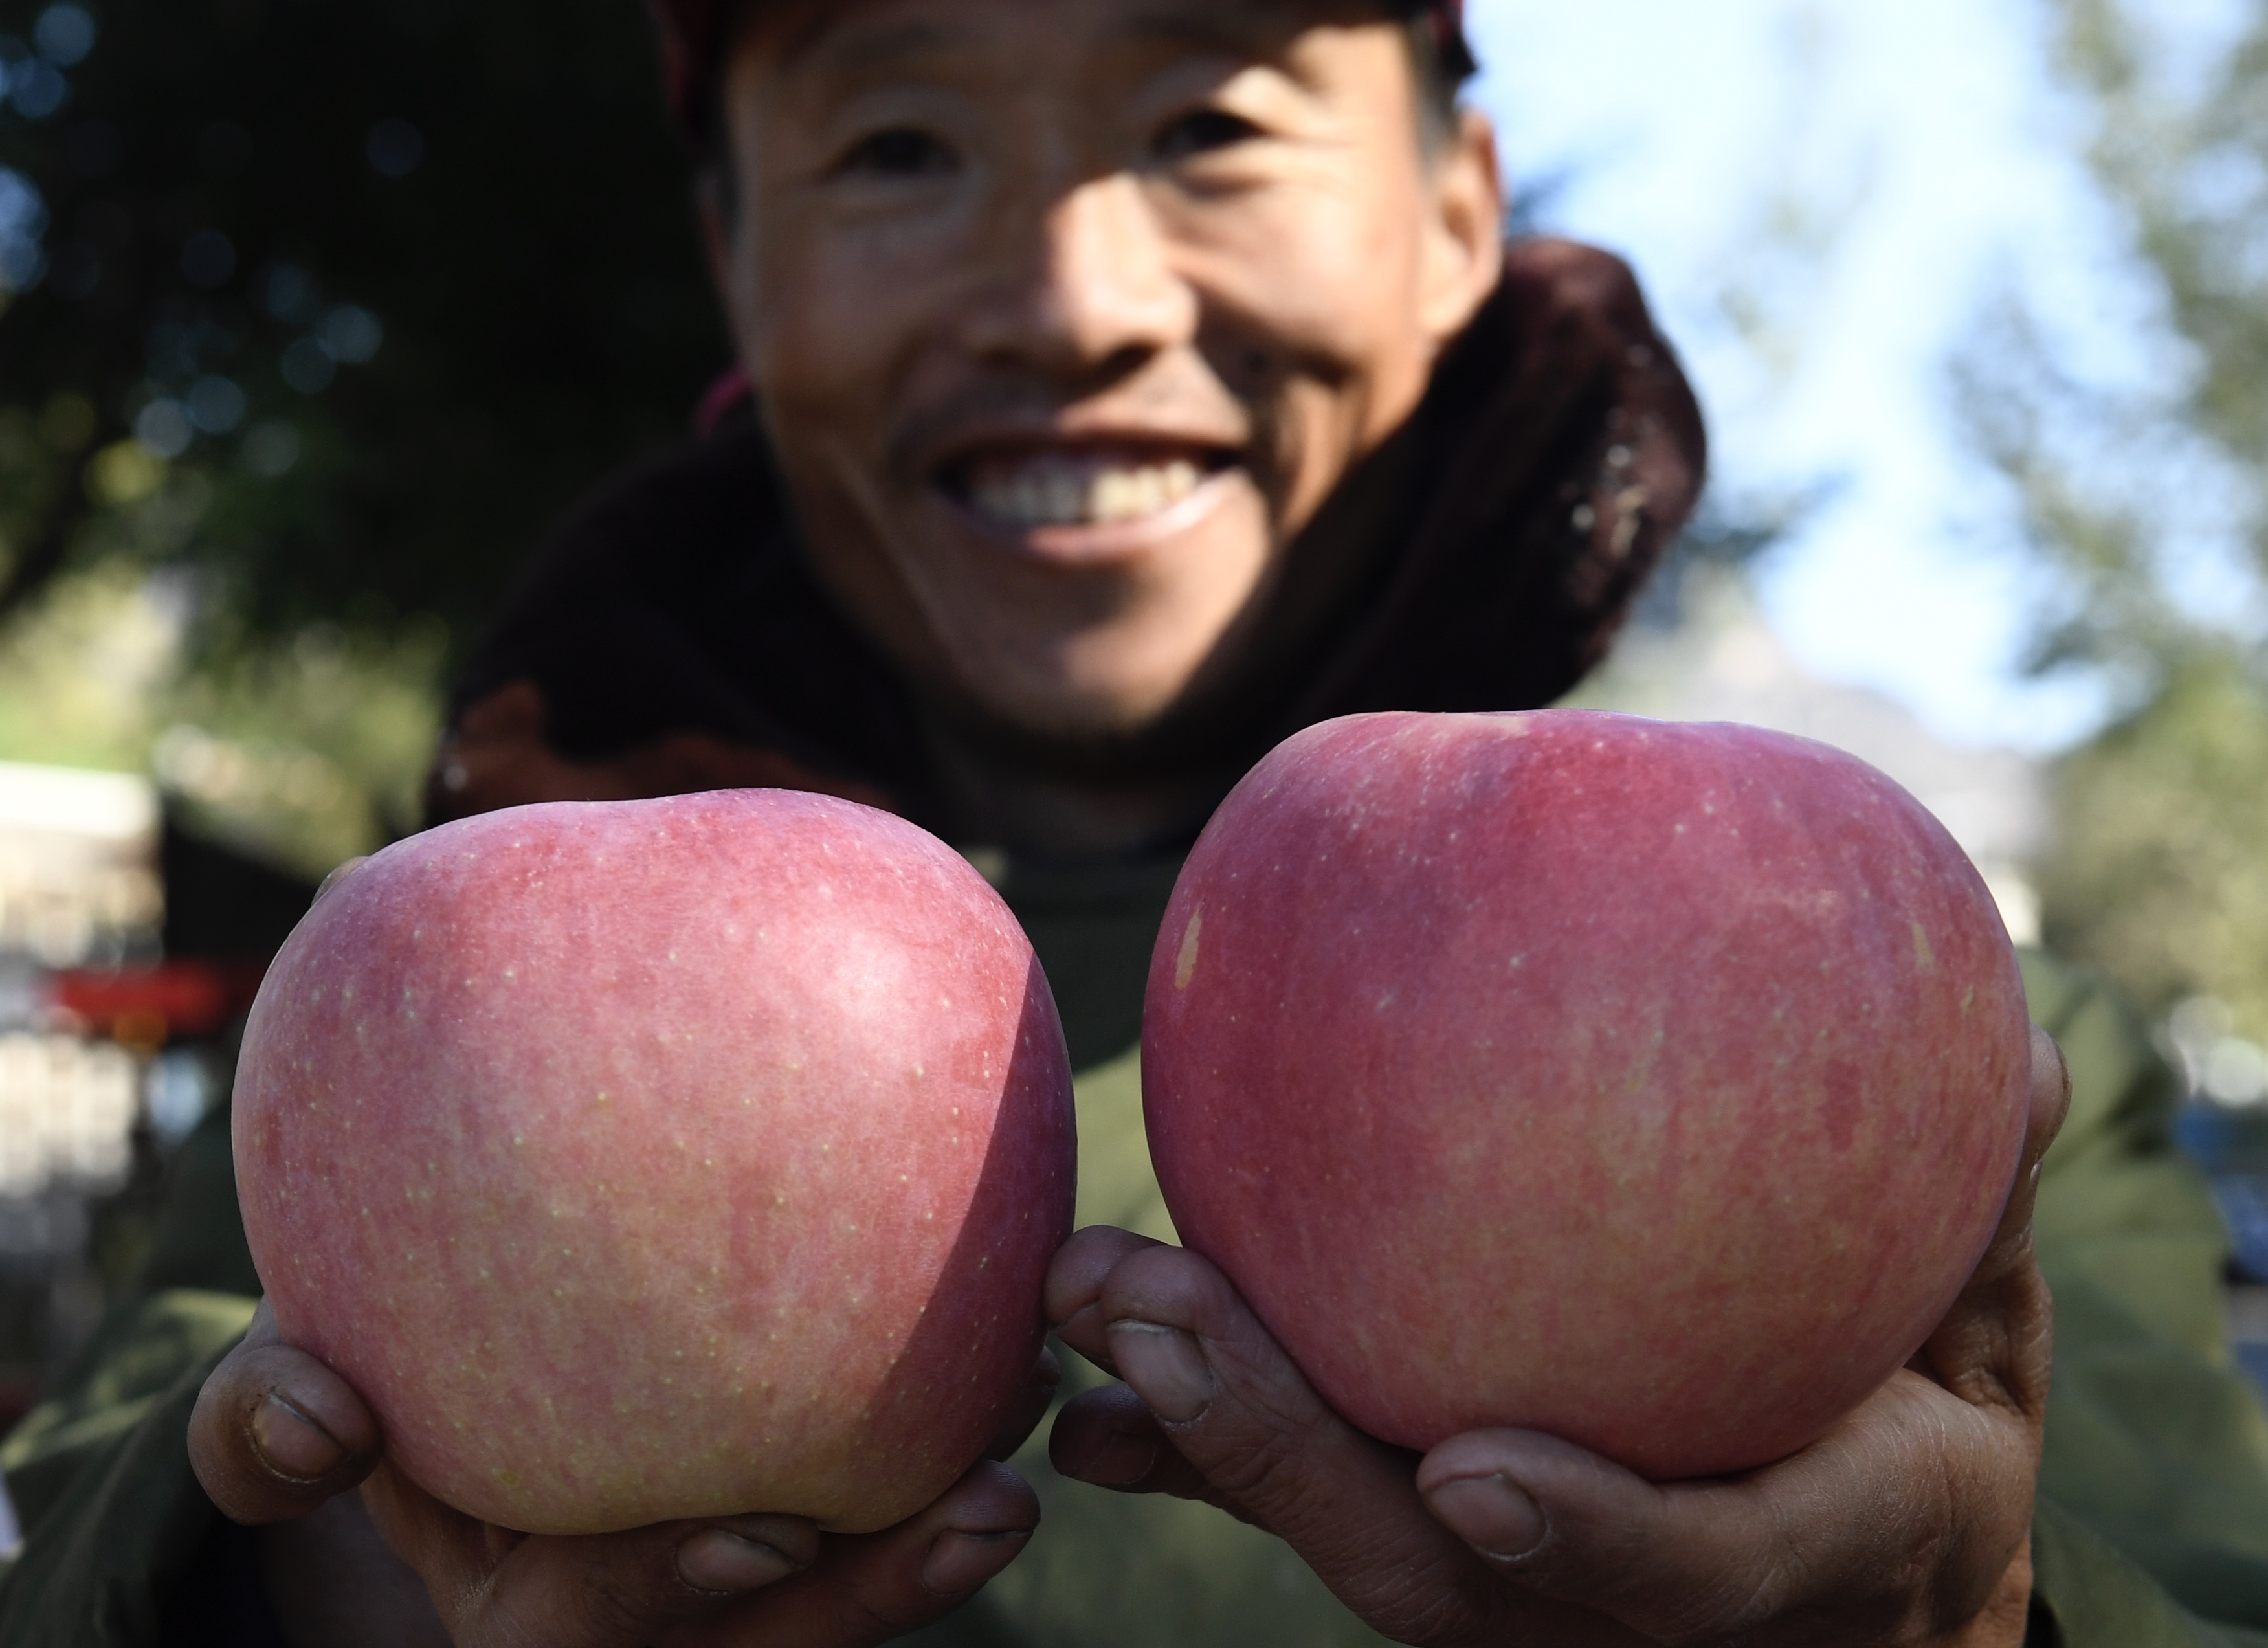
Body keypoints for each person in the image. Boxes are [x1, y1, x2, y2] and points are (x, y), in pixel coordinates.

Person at [4, 0, 2268, 1642]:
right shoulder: (420, 1008)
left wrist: (1966, 1616)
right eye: (897, 144)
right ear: (740, 263)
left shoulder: (1945, 1024)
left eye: (1210, 119)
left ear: (1456, 213)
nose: (1078, 301)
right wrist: (336, 1566)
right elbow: (119, 1493)